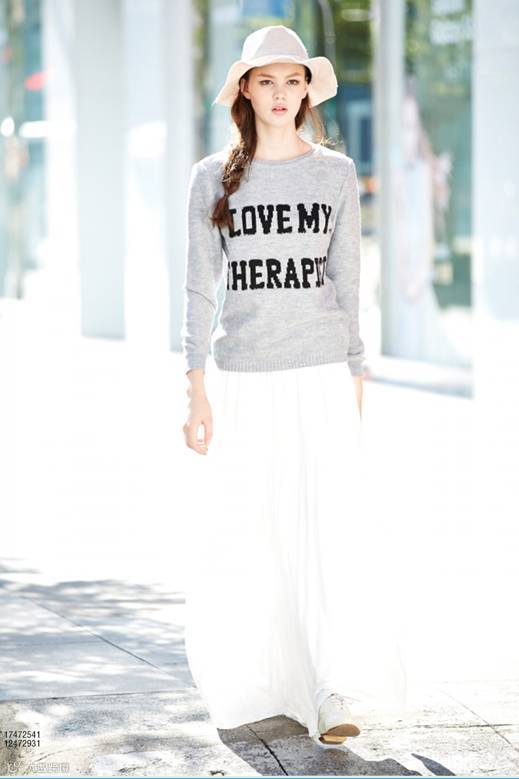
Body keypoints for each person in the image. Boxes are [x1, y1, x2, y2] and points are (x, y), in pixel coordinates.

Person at [181, 25, 407, 749]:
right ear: (245, 91)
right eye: (266, 81)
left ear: (307, 91)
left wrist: (355, 368)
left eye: (292, 81)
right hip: (244, 377)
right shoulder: (211, 177)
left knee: (324, 531)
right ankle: (268, 680)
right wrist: (194, 387)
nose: (281, 94)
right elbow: (198, 287)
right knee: (254, 534)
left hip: (319, 372)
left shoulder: (335, 173)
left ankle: (329, 687)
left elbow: (348, 278)